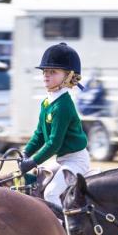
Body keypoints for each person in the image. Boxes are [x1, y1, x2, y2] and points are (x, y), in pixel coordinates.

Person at [19, 43, 89, 208]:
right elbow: (39, 134)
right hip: (62, 160)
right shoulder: (47, 103)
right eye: (45, 71)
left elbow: (54, 143)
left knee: (51, 193)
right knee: (35, 182)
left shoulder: (63, 106)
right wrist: (26, 151)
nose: (46, 75)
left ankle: (61, 224)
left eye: (53, 72)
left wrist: (33, 161)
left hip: (76, 161)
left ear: (68, 76)